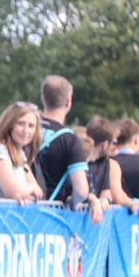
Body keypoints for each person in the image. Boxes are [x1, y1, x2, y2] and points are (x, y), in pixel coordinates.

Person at [36, 75, 103, 223]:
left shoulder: (24, 129)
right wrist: (76, 202)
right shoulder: (69, 140)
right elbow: (81, 190)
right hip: (51, 217)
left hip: (18, 212)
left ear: (43, 98)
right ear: (68, 101)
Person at [0, 102, 45, 203]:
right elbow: (15, 193)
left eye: (31, 126)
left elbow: (39, 193)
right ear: (9, 125)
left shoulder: (20, 154)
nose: (26, 130)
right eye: (20, 123)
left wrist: (25, 194)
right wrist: (29, 188)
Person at [85, 116, 139, 215]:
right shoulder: (77, 160)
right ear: (105, 144)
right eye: (113, 143)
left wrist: (105, 200)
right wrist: (93, 200)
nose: (114, 147)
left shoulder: (107, 163)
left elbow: (108, 193)